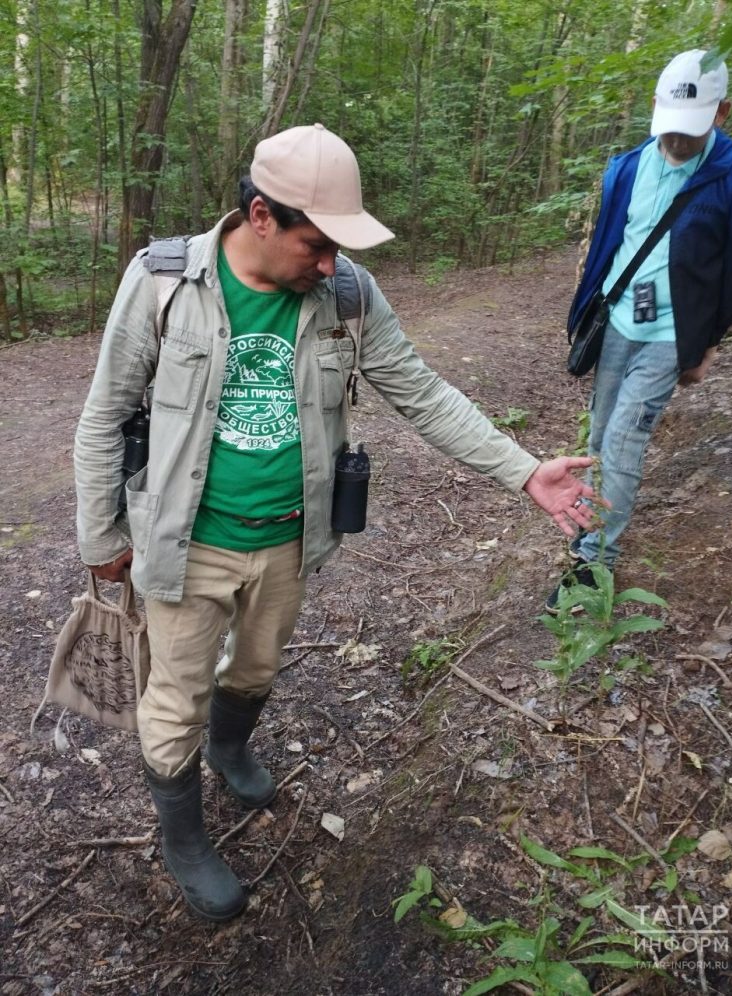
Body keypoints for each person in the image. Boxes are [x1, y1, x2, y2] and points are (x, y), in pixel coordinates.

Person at [75, 123, 599, 921]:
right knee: (173, 699)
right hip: (186, 545)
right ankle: (185, 838)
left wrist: (523, 469)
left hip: (289, 539)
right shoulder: (162, 283)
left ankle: (231, 745)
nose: (327, 264)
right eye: (313, 244)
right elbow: (103, 414)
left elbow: (420, 392)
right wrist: (101, 536)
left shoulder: (347, 293)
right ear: (259, 216)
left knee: (253, 673)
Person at [546, 50, 732, 612]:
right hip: (616, 323)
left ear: (723, 113)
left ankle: (596, 565)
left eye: (691, 131)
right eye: (669, 129)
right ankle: (590, 533)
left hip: (670, 334)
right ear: (655, 107)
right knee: (598, 436)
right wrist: (585, 311)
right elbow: (610, 248)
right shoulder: (628, 167)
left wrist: (708, 344)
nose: (677, 143)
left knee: (624, 440)